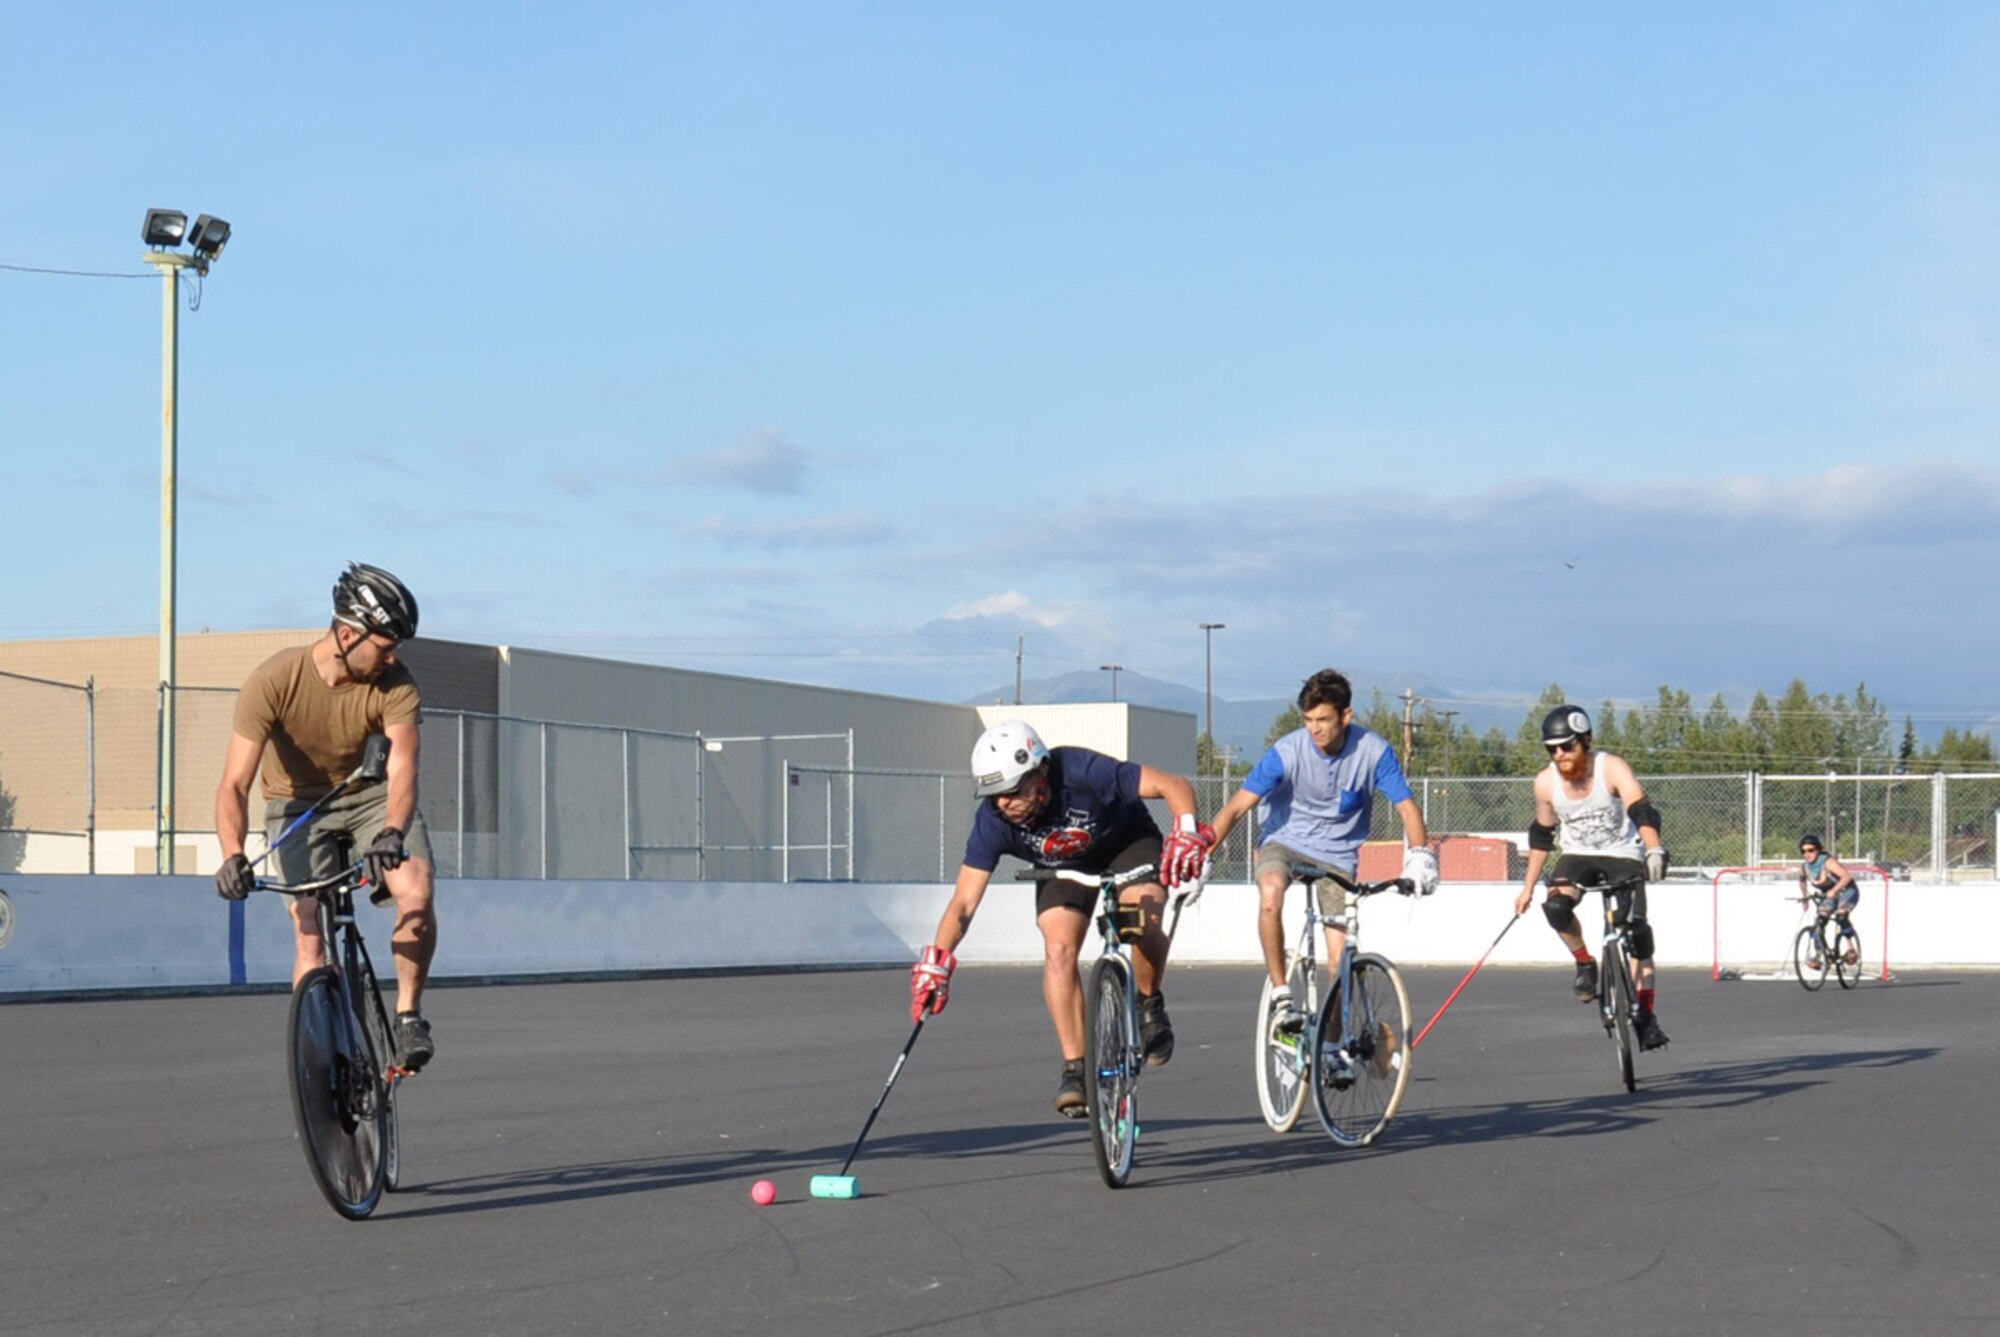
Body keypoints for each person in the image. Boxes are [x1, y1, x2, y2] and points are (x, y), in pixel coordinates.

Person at [909, 720, 1212, 1118]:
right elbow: (963, 903)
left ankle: (1149, 1003)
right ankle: (1076, 1069)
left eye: (1013, 791)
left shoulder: (1082, 771)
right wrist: (938, 963)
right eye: (994, 795)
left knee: (1144, 915)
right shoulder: (994, 820)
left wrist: (1186, 830)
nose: (1004, 803)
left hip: (1127, 845)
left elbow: (1174, 786)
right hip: (1062, 867)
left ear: (1041, 773)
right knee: (1058, 948)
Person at [213, 562, 439, 1071]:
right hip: (296, 806)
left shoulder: (396, 683)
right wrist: (231, 855)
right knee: (309, 930)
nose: (392, 657)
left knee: (416, 894)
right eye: (384, 645)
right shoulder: (273, 681)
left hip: (369, 798)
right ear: (346, 634)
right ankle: (320, 1061)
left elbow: (404, 770)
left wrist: (392, 831)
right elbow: (234, 785)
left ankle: (407, 1017)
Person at [1205, 669, 1438, 1036]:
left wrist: (1420, 856)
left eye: (1324, 720)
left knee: (1339, 959)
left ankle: (1329, 1044)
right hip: (1284, 841)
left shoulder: (1373, 751)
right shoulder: (1287, 751)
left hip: (1338, 855)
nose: (1314, 729)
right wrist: (1204, 854)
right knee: (1270, 893)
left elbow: (1407, 807)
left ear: (1346, 716)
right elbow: (1236, 807)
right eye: (1309, 720)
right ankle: (1282, 995)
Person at [1513, 705, 1672, 1050]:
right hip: (1577, 856)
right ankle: (1585, 964)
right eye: (1551, 749)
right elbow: (1542, 837)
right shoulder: (1545, 783)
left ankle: (1645, 1015)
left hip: (1623, 855)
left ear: (1585, 741)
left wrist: (1654, 849)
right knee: (1555, 907)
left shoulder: (1610, 768)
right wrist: (1527, 889)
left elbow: (1641, 808)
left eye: (1567, 746)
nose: (1559, 755)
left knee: (1638, 934)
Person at [1797, 833, 1860, 967]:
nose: (1807, 854)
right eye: (1804, 851)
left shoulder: (1828, 862)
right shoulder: (1805, 867)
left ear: (1818, 849)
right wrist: (1805, 897)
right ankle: (1819, 955)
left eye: (1811, 850)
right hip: (1829, 895)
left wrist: (1835, 890)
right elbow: (1802, 881)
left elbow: (1846, 877)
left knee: (1841, 915)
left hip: (1847, 890)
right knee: (1819, 923)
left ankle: (1851, 948)